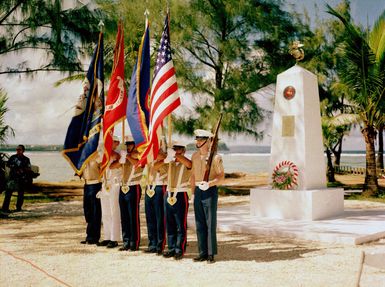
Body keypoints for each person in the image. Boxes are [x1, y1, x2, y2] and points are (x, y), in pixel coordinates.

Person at [191, 129, 224, 264]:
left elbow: (221, 176)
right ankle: (202, 252)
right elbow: (192, 176)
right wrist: (192, 193)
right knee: (199, 223)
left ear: (208, 141)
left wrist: (209, 184)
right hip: (198, 190)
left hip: (209, 190)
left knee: (210, 223)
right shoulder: (194, 156)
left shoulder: (216, 157)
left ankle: (210, 254)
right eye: (197, 139)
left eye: (200, 139)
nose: (197, 141)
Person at [163, 141, 192, 260]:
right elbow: (156, 166)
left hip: (180, 194)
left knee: (180, 224)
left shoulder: (186, 162)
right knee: (170, 224)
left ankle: (179, 248)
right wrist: (166, 157)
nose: (176, 151)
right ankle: (171, 248)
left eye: (179, 149)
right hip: (169, 193)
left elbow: (189, 164)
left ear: (184, 151)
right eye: (175, 149)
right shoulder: (170, 163)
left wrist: (175, 155)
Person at [118, 136, 143, 251]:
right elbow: (114, 165)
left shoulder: (139, 154)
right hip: (123, 187)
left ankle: (135, 241)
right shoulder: (125, 155)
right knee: (124, 216)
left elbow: (138, 163)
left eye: (130, 144)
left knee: (133, 215)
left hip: (134, 186)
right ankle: (126, 240)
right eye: (127, 145)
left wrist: (127, 156)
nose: (128, 147)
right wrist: (121, 159)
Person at [98, 136, 122, 249]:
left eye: (112, 142)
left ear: (117, 143)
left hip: (114, 183)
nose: (109, 144)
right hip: (105, 183)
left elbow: (114, 163)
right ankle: (107, 236)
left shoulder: (117, 154)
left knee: (114, 212)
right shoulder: (104, 154)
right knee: (105, 212)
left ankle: (114, 238)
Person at [144, 150, 168, 255]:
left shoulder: (164, 156)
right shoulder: (149, 154)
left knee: (160, 218)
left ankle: (160, 244)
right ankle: (152, 243)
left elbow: (157, 164)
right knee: (150, 218)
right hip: (149, 186)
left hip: (160, 186)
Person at [80, 153, 102, 245]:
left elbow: (103, 170)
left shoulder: (97, 156)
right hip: (86, 185)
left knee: (95, 211)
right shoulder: (83, 157)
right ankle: (89, 235)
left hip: (96, 184)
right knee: (87, 211)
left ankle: (94, 237)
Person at [1, 145, 32, 212]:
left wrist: (23, 169)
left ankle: (18, 208)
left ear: (23, 150)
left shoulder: (26, 159)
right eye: (17, 149)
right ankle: (5, 208)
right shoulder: (13, 157)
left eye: (19, 149)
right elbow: (8, 164)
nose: (18, 151)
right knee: (8, 193)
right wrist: (15, 167)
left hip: (22, 178)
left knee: (21, 194)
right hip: (12, 178)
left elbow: (29, 168)